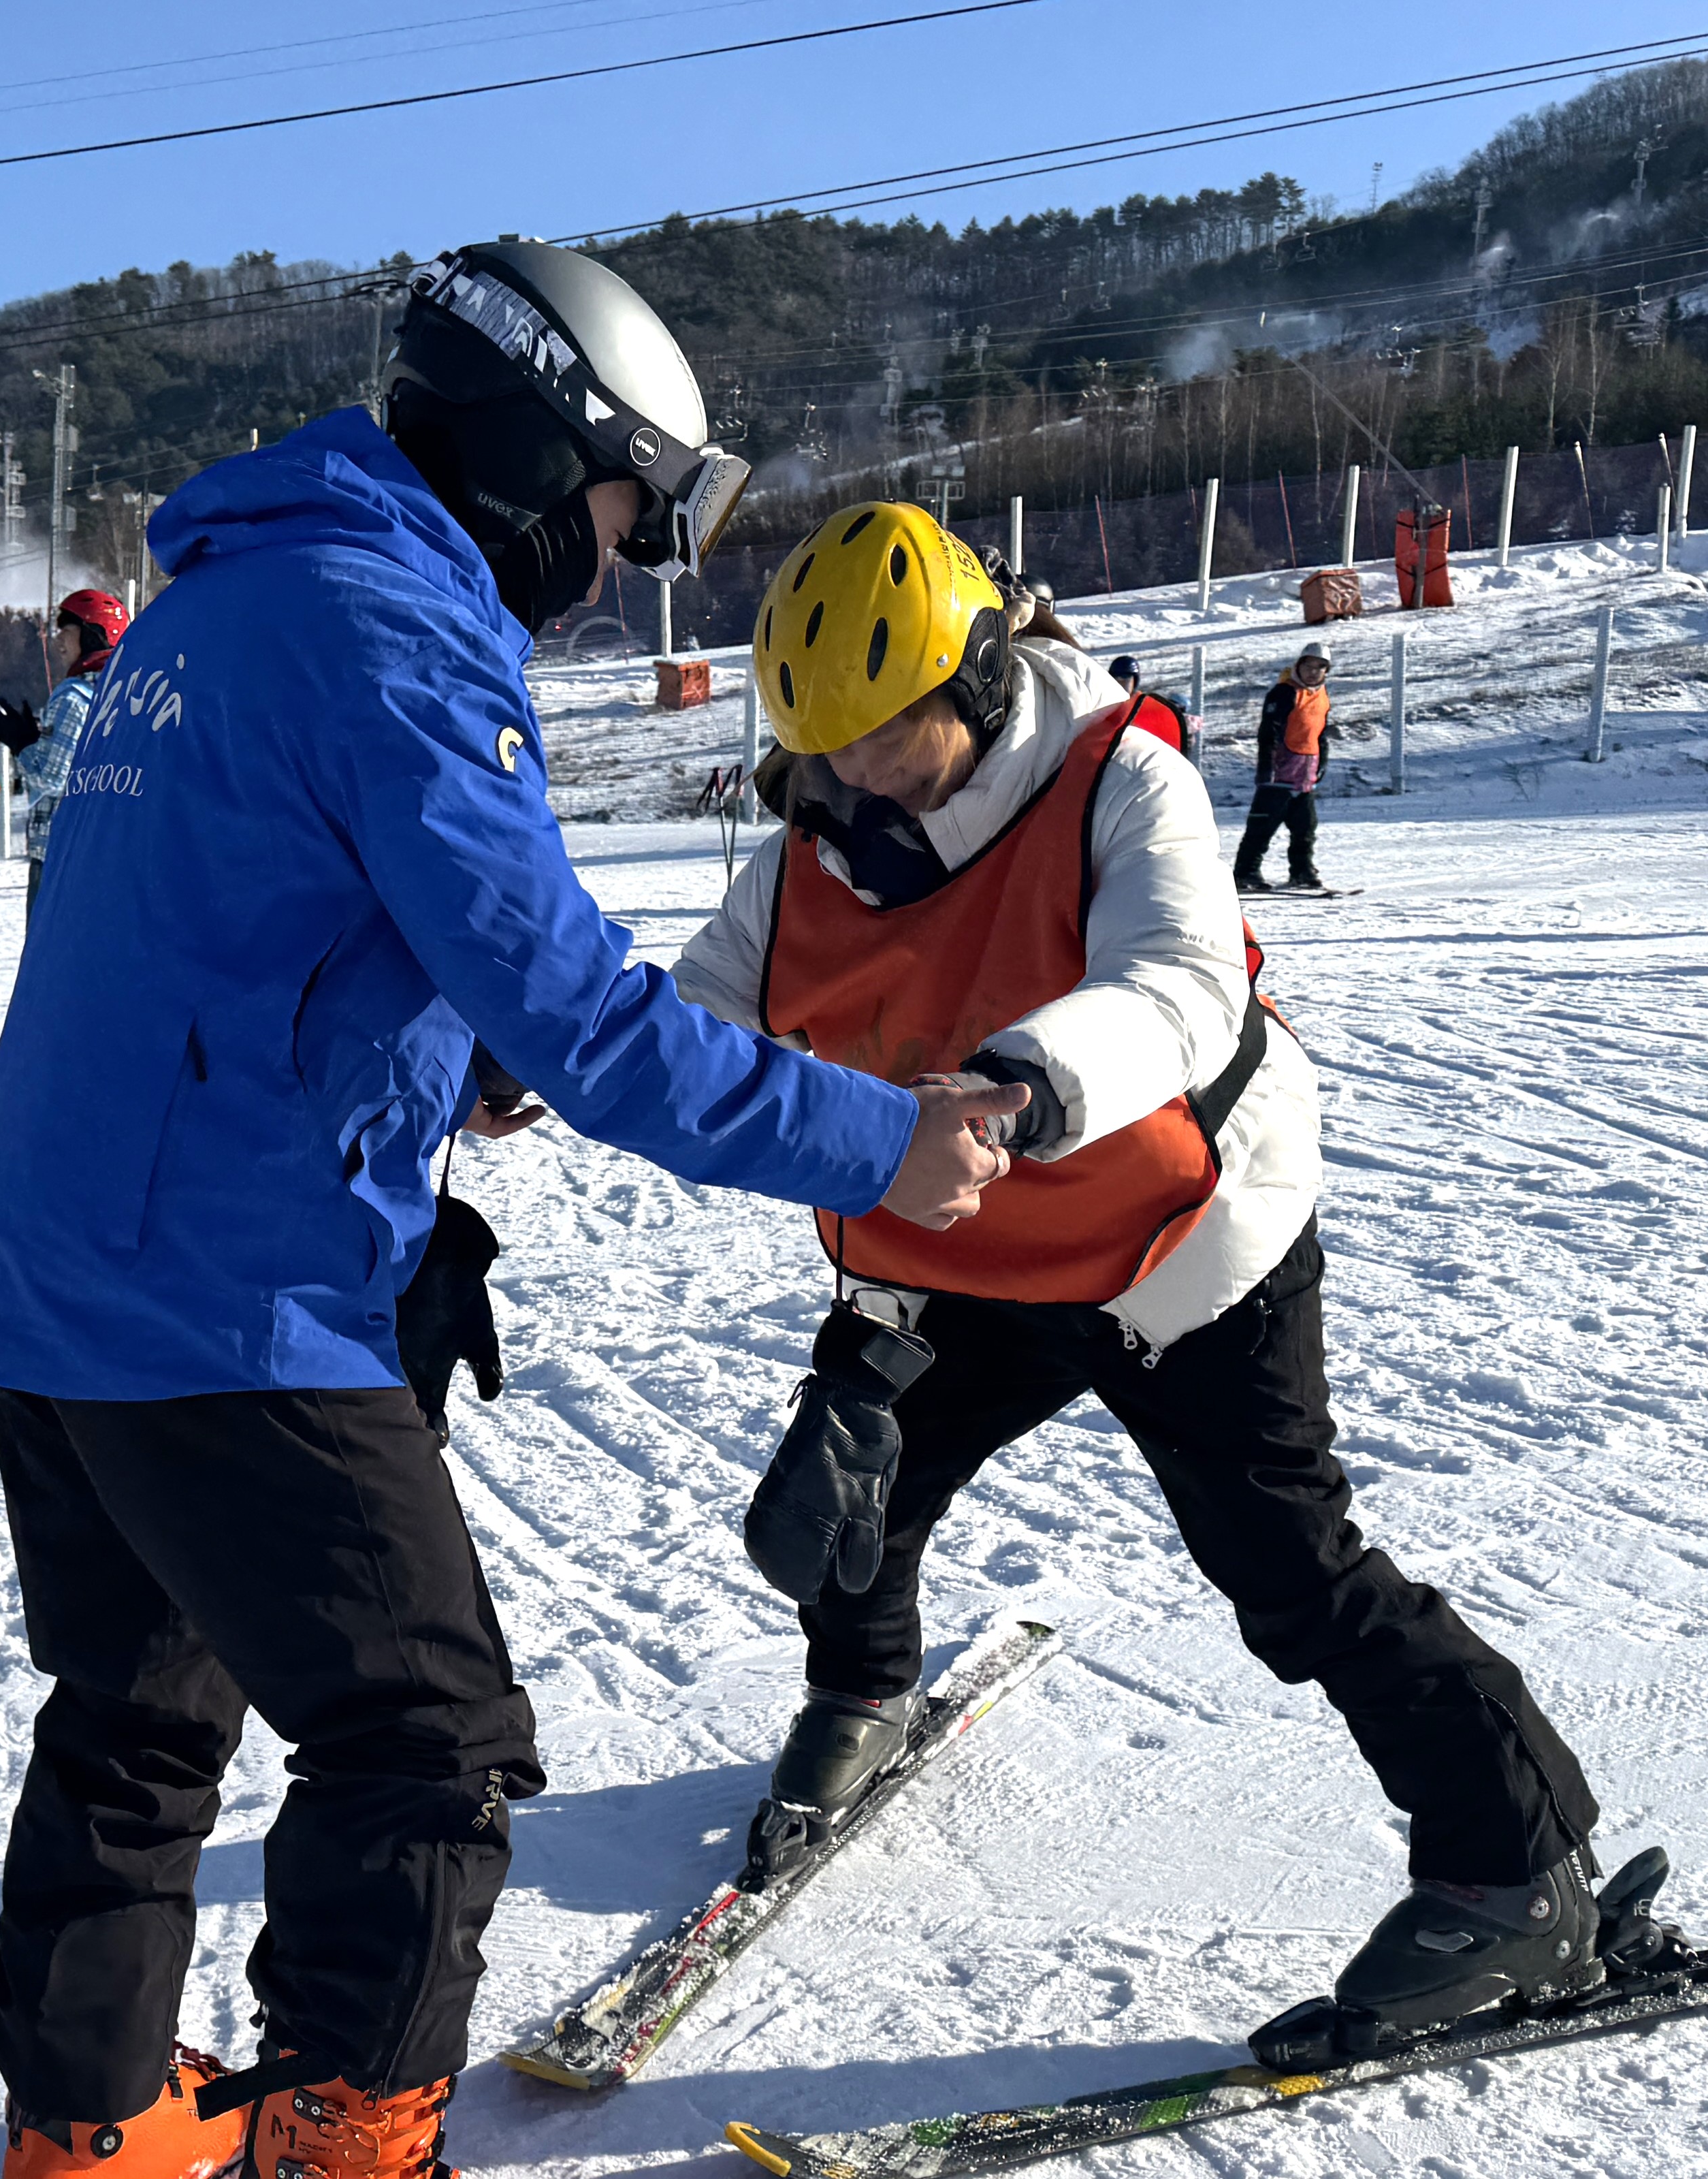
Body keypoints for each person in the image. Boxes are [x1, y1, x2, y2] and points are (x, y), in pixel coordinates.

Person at [0, 238, 1012, 2179]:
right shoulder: (392, 630)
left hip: (68, 1266)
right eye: (625, 509)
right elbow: (595, 1025)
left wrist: (438, 1052)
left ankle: (85, 2120)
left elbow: (247, 921)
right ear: (533, 458)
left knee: (140, 1699)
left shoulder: (222, 600)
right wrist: (880, 1141)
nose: (616, 564)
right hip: (227, 1293)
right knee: (421, 1737)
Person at [678, 498, 1607, 2075]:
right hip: (966, 1252)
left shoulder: (1118, 778)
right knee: (845, 1495)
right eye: (822, 753)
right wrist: (537, 1063)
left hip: (1175, 1251)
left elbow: (1179, 986)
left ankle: (1515, 1874)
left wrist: (1017, 1088)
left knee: (1292, 1571)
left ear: (978, 681)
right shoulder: (812, 848)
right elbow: (710, 1005)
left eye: (886, 738)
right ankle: (864, 1690)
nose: (853, 780)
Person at [0, 587, 127, 919]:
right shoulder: (126, 695)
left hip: (58, 850)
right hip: (106, 848)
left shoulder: (73, 696)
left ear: (93, 635)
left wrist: (21, 744)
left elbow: (50, 778)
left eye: (66, 630)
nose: (57, 640)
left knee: (46, 946)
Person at [1235, 642, 1332, 892]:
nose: (1313, 672)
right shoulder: (1284, 693)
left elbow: (1321, 733)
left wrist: (1322, 762)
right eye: (1309, 666)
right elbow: (1269, 731)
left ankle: (1302, 870)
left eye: (1320, 668)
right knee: (1263, 825)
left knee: (1305, 827)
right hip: (1279, 772)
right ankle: (1246, 872)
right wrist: (1267, 766)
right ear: (1299, 666)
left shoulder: (1321, 696)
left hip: (1305, 774)